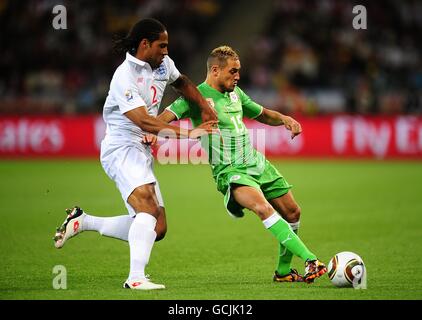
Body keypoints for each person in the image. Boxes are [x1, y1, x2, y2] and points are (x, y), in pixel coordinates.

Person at [52, 18, 218, 290]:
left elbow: (182, 82)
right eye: (161, 45)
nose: (166, 51)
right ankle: (135, 278)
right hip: (121, 147)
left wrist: (203, 106)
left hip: (139, 148)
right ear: (145, 44)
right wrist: (190, 134)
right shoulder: (124, 76)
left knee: (157, 227)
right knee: (149, 212)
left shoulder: (162, 63)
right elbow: (144, 121)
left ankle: (84, 221)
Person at [156, 45, 327, 283]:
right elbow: (159, 124)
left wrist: (285, 119)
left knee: (292, 212)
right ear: (215, 70)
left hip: (256, 163)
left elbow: (263, 114)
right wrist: (192, 132)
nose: (237, 76)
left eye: (239, 72)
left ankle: (284, 272)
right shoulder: (195, 97)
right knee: (263, 208)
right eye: (233, 72)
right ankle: (311, 260)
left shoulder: (236, 93)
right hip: (231, 171)